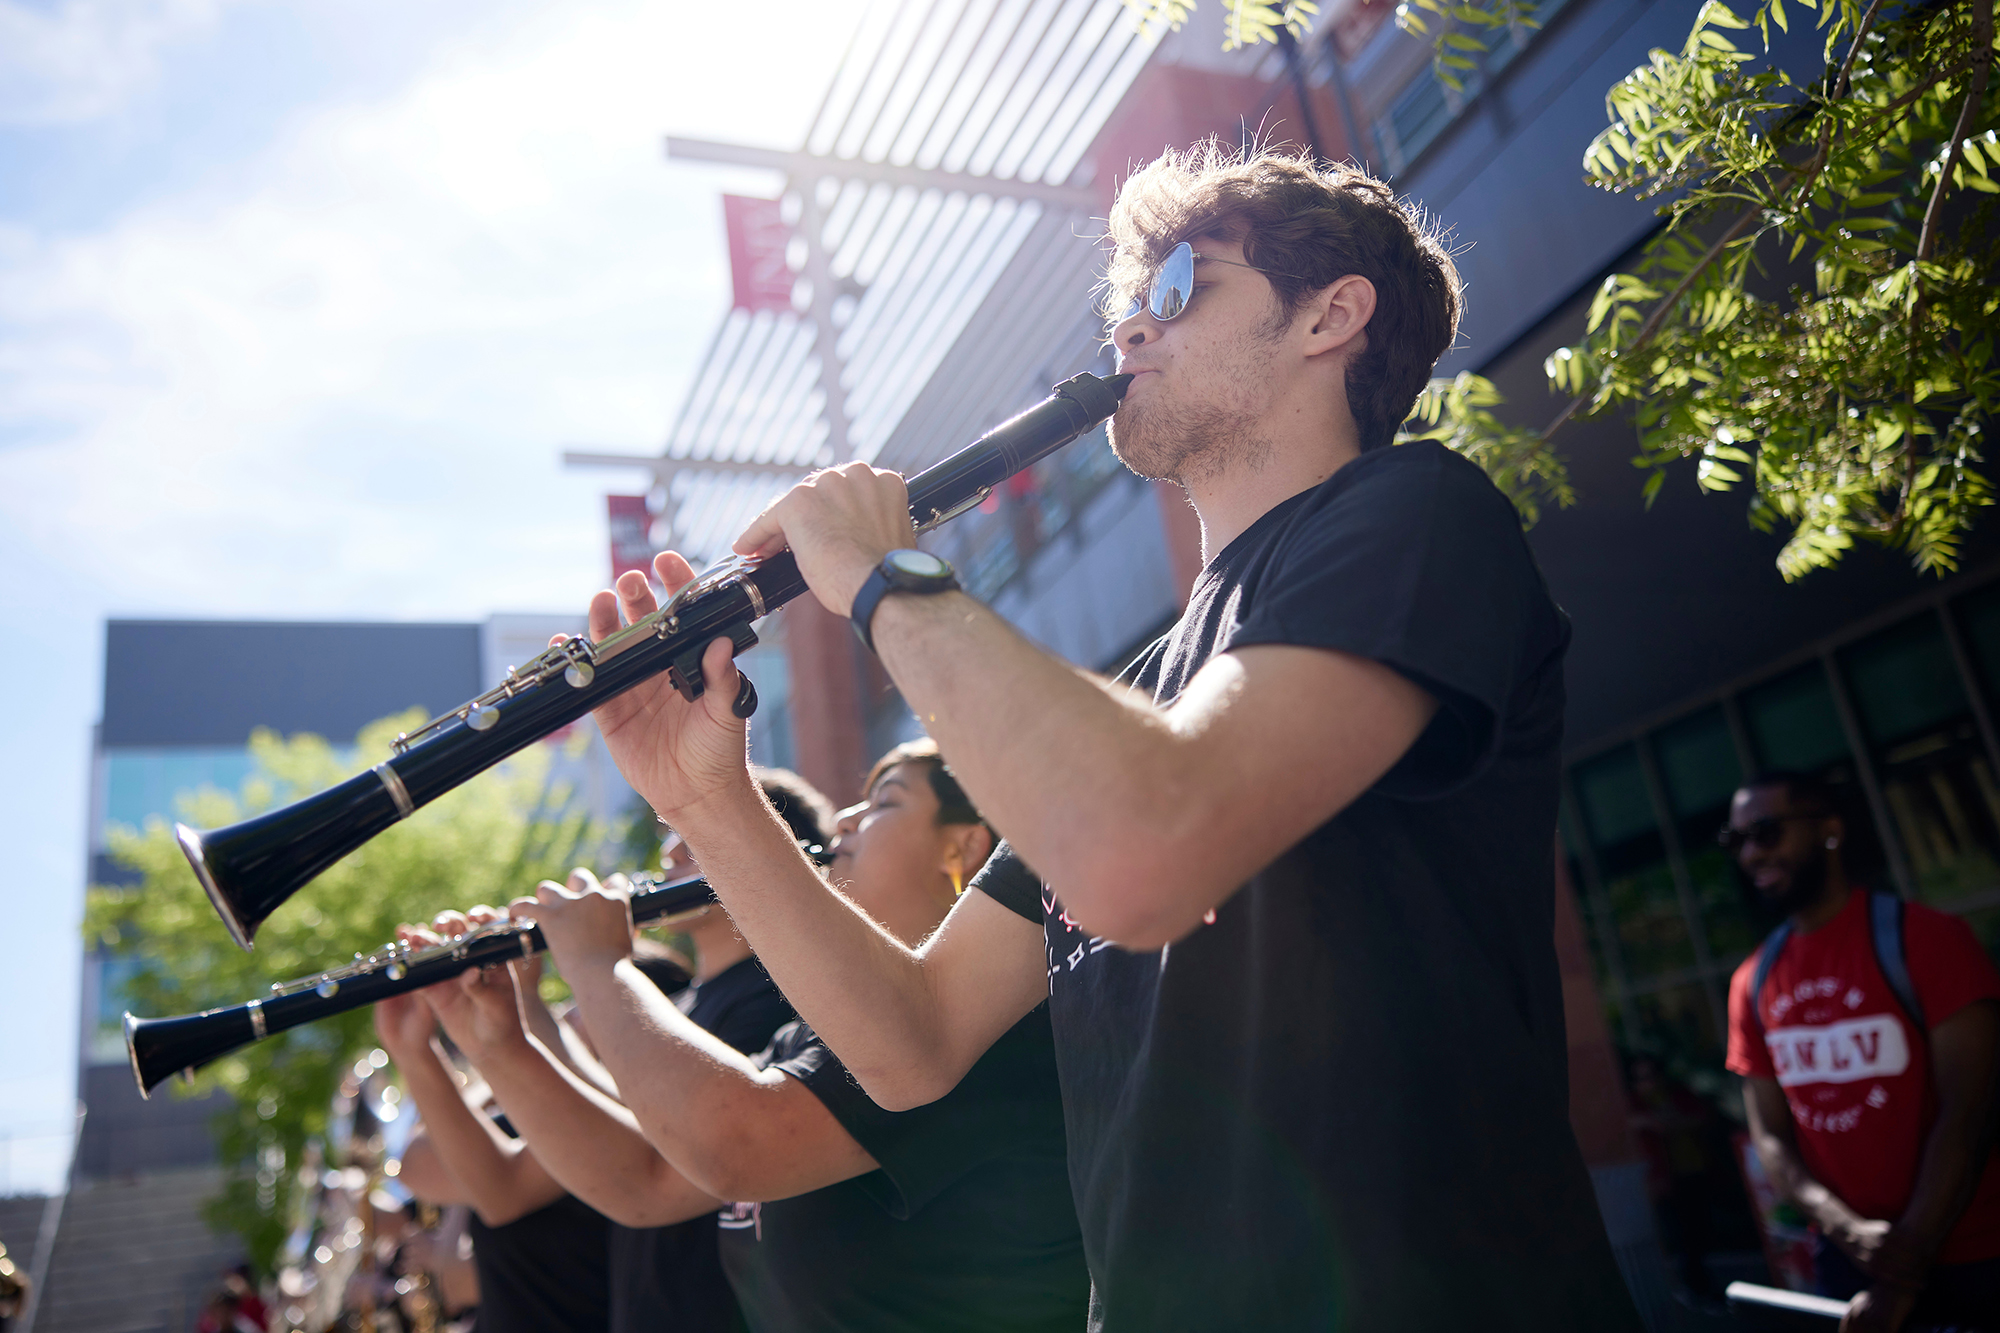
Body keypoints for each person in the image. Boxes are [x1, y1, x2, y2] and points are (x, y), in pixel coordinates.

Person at [568, 140, 1642, 1330]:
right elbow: (909, 1042)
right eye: (1128, 307)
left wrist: (882, 571)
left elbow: (1143, 849)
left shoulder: (1418, 513)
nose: (1129, 333)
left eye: (1178, 291)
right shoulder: (1149, 689)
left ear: (1329, 316)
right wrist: (705, 799)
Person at [425, 738, 1087, 1333]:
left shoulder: (986, 1014)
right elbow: (648, 1175)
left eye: (885, 801)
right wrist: (496, 1040)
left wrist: (602, 965)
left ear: (964, 846)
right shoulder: (821, 1021)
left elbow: (732, 1141)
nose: (848, 819)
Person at [381, 769, 823, 1333]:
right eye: (670, 832)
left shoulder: (771, 1000)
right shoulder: (686, 1005)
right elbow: (622, 1126)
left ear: (769, 844)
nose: (669, 851)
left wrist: (592, 966)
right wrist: (508, 1010)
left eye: (694, 833)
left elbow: (644, 1163)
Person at [1723, 771, 2000, 1331]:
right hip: (1847, 1266)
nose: (1753, 853)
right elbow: (1772, 1140)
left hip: (1977, 1256)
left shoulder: (1928, 940)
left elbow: (1969, 1113)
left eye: (1768, 831)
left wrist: (1900, 1275)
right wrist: (1846, 1230)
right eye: (1739, 840)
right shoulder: (1751, 983)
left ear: (1829, 830)